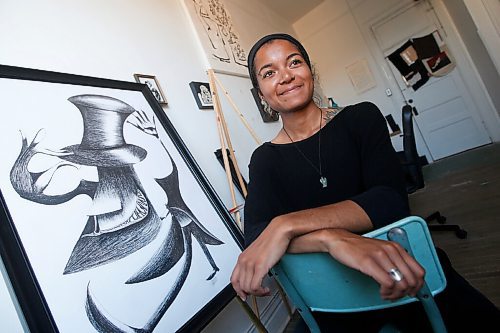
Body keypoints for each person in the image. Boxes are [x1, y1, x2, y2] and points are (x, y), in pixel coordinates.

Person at [230, 33, 500, 332]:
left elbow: (389, 201)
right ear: (261, 94)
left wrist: (285, 225)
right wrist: (332, 239)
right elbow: (257, 238)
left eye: (294, 62)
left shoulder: (360, 117)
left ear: (310, 71)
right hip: (330, 292)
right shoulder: (265, 159)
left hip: (401, 269)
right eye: (269, 73)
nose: (286, 76)